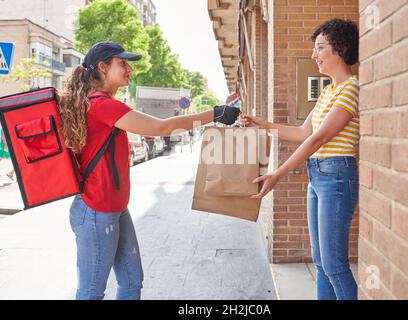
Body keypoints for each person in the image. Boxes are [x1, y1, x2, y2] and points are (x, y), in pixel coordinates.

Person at [59, 41, 240, 300]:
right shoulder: (102, 104)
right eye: (122, 63)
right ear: (102, 67)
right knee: (90, 293)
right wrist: (214, 114)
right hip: (96, 211)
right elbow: (163, 128)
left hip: (115, 209)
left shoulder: (101, 103)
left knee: (132, 283)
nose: (129, 69)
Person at [242, 19, 359, 300]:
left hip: (337, 176)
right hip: (318, 176)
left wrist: (278, 173)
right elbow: (302, 132)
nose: (313, 55)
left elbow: (318, 138)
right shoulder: (329, 92)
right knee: (320, 262)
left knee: (334, 265)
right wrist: (261, 124)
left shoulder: (351, 88)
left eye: (320, 48)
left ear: (340, 49)